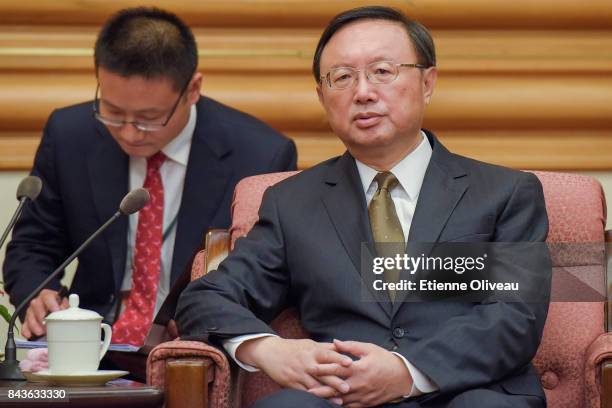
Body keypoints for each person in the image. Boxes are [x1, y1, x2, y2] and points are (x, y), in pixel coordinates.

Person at [176, 6, 549, 408]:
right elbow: (206, 298)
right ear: (322, 97)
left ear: (428, 82)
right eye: (342, 77)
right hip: (341, 396)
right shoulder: (292, 203)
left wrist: (406, 372)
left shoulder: (507, 193)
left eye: (383, 71)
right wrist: (269, 349)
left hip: (467, 392)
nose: (363, 92)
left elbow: (516, 317)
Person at [2, 7, 297, 346]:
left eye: (149, 118)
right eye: (112, 112)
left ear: (192, 89)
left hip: (191, 349)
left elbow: (268, 277)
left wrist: (207, 318)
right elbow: (33, 245)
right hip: (90, 345)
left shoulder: (259, 154)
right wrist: (39, 293)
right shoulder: (71, 135)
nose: (129, 133)